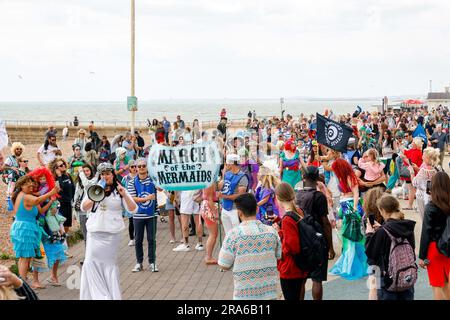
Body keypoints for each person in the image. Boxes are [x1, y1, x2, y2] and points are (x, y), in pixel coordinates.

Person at [80, 162, 137, 300]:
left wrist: (125, 196)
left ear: (113, 174)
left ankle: (109, 295)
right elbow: (83, 207)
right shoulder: (94, 188)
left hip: (112, 234)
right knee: (90, 262)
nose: (105, 176)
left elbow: (133, 209)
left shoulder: (119, 189)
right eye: (102, 174)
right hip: (95, 233)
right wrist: (96, 194)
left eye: (107, 174)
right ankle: (97, 296)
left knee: (109, 264)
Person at [218, 193, 282, 300]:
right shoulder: (272, 232)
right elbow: (279, 255)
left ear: (239, 213)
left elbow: (224, 264)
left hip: (244, 295)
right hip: (270, 293)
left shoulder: (233, 235)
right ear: (257, 209)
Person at [365, 195, 416, 300]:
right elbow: (412, 248)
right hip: (407, 276)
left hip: (389, 281)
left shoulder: (383, 232)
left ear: (383, 210)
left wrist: (370, 235)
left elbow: (371, 253)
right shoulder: (407, 226)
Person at [295, 166, 335, 299]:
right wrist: (330, 247)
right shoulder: (319, 196)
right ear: (318, 177)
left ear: (303, 177)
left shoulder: (297, 195)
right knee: (317, 279)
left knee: (302, 279)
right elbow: (325, 223)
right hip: (317, 241)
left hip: (302, 241)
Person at [10, 176, 60, 280]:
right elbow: (37, 200)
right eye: (28, 182)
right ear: (21, 185)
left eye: (32, 182)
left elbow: (38, 205)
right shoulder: (25, 196)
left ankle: (22, 284)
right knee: (25, 258)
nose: (31, 184)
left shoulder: (21, 195)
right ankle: (23, 286)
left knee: (23, 258)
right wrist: (51, 192)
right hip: (25, 228)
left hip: (22, 227)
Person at [329, 158, 369, 280]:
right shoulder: (343, 177)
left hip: (351, 206)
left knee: (351, 235)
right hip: (345, 205)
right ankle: (349, 263)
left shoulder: (350, 177)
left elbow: (356, 193)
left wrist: (355, 208)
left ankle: (351, 265)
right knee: (348, 236)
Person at [273, 182, 308, 300]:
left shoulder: (287, 219)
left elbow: (292, 246)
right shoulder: (298, 211)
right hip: (299, 266)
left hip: (290, 268)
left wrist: (279, 233)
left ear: (278, 198)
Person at [419, 172, 450, 300]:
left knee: (437, 283)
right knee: (446, 281)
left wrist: (422, 256)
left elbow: (426, 232)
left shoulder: (431, 207)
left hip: (433, 248)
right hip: (447, 246)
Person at [128, 158, 159, 272]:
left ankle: (152, 262)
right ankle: (139, 262)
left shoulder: (153, 180)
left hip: (152, 214)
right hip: (138, 215)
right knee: (138, 240)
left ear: (147, 167)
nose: (141, 168)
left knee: (152, 239)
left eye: (143, 166)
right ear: (136, 168)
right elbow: (133, 198)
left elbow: (160, 188)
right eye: (139, 166)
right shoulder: (132, 182)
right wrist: (147, 198)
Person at [217, 154, 249, 235]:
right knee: (228, 234)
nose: (225, 165)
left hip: (235, 210)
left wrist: (223, 196)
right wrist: (223, 175)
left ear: (231, 163)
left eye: (226, 163)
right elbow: (220, 187)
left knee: (237, 234)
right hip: (225, 208)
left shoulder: (242, 177)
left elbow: (240, 196)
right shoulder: (227, 174)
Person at [73, 164, 98, 260]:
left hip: (92, 212)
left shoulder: (94, 181)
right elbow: (76, 197)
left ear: (91, 171)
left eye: (87, 170)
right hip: (82, 212)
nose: (85, 172)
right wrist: (74, 213)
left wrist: (81, 173)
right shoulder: (79, 184)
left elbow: (87, 185)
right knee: (86, 235)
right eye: (84, 171)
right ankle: (88, 256)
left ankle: (95, 255)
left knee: (94, 234)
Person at [412, 147, 441, 220]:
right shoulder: (438, 168)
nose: (422, 157)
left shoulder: (423, 170)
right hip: (434, 195)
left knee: (425, 219)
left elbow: (414, 183)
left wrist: (411, 172)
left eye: (423, 156)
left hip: (422, 196)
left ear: (428, 158)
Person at [49, 158, 75, 234]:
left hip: (68, 203)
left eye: (63, 163)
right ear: (56, 169)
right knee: (61, 224)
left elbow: (73, 187)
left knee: (67, 225)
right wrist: (59, 176)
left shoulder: (67, 175)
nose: (63, 165)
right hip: (60, 204)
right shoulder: (55, 178)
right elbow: (60, 189)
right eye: (61, 165)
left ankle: (65, 240)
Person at [400, 137, 424, 210]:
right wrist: (400, 144)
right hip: (410, 172)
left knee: (412, 189)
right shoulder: (413, 150)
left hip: (413, 172)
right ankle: (412, 205)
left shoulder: (417, 151)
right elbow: (404, 152)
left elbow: (411, 163)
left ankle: (411, 205)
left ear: (416, 143)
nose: (412, 143)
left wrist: (404, 158)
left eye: (413, 142)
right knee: (412, 189)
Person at [199, 184, 219, 265]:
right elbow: (210, 198)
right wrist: (215, 212)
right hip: (209, 207)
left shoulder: (207, 181)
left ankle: (209, 256)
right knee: (213, 234)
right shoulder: (210, 183)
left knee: (213, 234)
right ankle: (209, 257)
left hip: (207, 206)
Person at [120, 160, 137, 247]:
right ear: (129, 168)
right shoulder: (125, 178)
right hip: (129, 201)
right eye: (132, 167)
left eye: (135, 166)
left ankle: (138, 237)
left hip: (138, 201)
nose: (134, 168)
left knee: (138, 220)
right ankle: (132, 238)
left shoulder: (139, 176)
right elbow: (122, 189)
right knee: (131, 221)